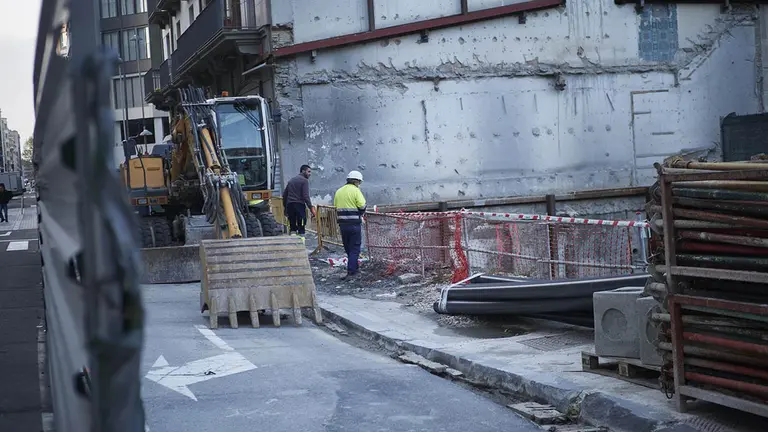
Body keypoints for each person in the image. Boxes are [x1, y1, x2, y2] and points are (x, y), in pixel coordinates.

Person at [333, 170, 366, 280]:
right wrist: (360, 213)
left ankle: (354, 269)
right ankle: (352, 272)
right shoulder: (355, 191)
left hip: (343, 225)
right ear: (356, 181)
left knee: (348, 248)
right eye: (359, 182)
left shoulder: (339, 191)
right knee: (355, 248)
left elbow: (335, 206)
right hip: (354, 224)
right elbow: (362, 205)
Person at [283, 164, 316, 236]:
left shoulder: (291, 180)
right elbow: (306, 196)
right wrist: (311, 208)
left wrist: (285, 208)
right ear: (303, 171)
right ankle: (301, 244)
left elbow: (285, 195)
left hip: (290, 206)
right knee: (301, 227)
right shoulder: (304, 181)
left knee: (292, 228)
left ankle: (293, 243)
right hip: (299, 206)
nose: (310, 174)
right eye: (308, 172)